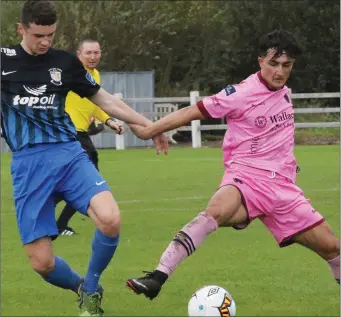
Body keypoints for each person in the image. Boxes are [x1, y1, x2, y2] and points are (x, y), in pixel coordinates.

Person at [126, 29, 340, 302]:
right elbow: (193, 111)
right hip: (246, 178)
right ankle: (157, 277)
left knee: (333, 249)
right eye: (273, 64)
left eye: (286, 65)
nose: (279, 72)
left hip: (283, 190)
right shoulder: (241, 93)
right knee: (215, 211)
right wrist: (150, 130)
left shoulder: (284, 92)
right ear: (260, 60)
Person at [0, 1, 167, 316]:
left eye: (50, 34)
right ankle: (80, 286)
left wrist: (149, 125)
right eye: (38, 35)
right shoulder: (3, 62)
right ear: (20, 29)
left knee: (111, 219)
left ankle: (91, 288)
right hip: (28, 165)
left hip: (68, 154)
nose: (46, 42)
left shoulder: (64, 63)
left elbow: (103, 99)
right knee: (41, 262)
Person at [56, 39, 124, 236]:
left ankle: (52, 216)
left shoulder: (94, 75)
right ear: (78, 55)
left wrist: (109, 121)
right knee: (88, 181)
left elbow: (95, 105)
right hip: (71, 133)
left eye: (96, 52)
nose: (93, 57)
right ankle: (58, 222)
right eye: (88, 53)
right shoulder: (69, 74)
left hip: (80, 134)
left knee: (76, 181)